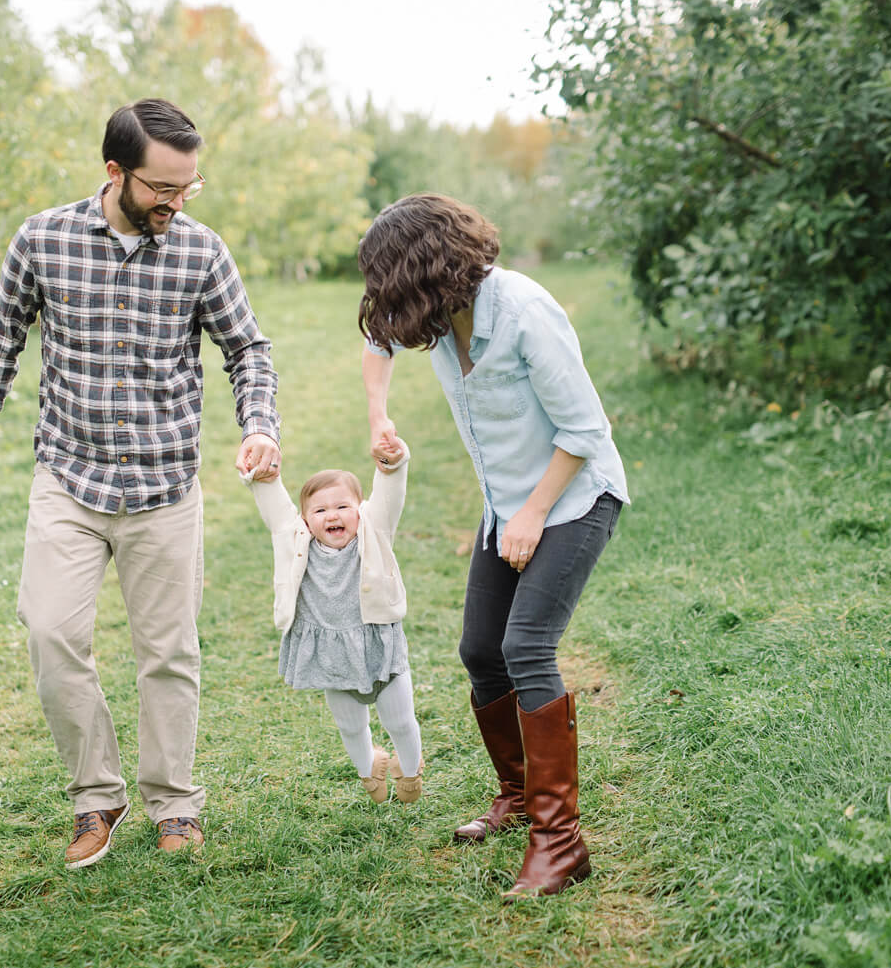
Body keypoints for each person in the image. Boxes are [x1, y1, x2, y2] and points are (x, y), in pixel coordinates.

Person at [0, 98, 282, 867]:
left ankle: (174, 802)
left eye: (187, 188)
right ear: (114, 172)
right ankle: (96, 795)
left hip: (166, 482)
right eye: (162, 189)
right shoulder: (44, 238)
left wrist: (259, 422)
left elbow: (248, 349)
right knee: (51, 631)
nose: (176, 203)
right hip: (68, 474)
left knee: (168, 651)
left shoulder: (201, 251)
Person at [357, 194, 628, 899]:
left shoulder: (525, 313)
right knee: (481, 650)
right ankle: (519, 793)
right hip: (505, 506)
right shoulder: (441, 314)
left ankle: (561, 843)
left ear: (428, 271)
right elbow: (376, 342)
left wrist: (534, 513)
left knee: (526, 646)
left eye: (390, 286)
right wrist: (379, 415)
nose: (386, 305)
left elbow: (585, 429)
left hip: (571, 496)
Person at [241, 441, 424, 804]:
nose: (332, 515)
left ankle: (411, 767)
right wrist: (265, 479)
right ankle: (368, 767)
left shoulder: (375, 531)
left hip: (378, 645)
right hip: (329, 652)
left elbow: (389, 495)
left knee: (400, 720)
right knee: (350, 725)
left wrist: (392, 465)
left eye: (343, 506)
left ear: (360, 511)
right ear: (306, 520)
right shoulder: (295, 539)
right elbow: (277, 512)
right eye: (320, 510)